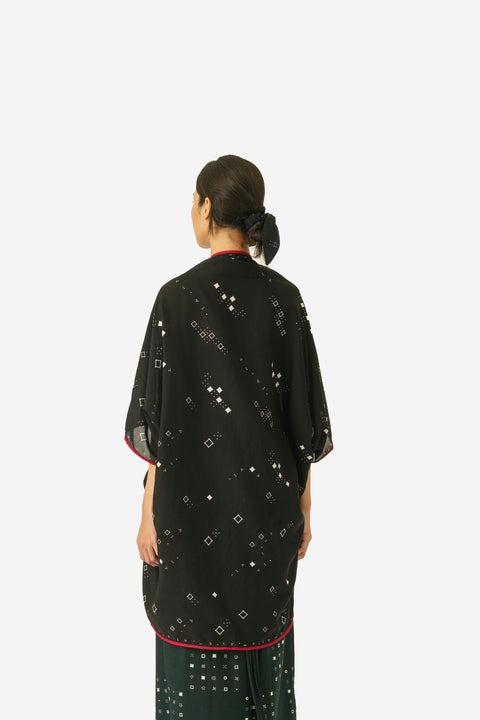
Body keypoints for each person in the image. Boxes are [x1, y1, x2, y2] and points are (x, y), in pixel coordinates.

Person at [124, 154, 334, 719]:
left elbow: (158, 426)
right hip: (266, 515)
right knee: (265, 658)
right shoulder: (285, 298)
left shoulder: (175, 298)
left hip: (187, 518)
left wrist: (147, 509)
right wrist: (304, 506)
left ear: (207, 207)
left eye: (192, 201)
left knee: (189, 651)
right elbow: (303, 424)